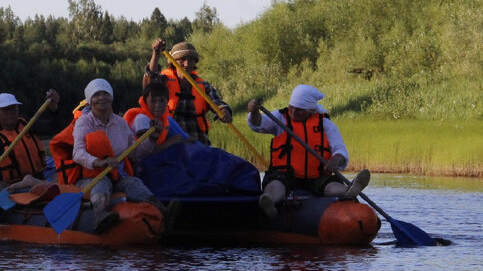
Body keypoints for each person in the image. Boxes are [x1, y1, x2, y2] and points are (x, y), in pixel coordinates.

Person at [246, 84, 371, 218]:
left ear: (310, 110)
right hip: (285, 173)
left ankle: (348, 191)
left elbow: (340, 150)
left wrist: (335, 160)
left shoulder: (325, 124)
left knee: (329, 185)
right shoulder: (281, 118)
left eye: (299, 111)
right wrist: (254, 112)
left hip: (316, 176)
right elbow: (258, 124)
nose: (293, 113)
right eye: (291, 108)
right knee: (277, 184)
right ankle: (268, 200)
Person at [73, 78, 166, 232]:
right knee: (102, 183)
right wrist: (99, 163)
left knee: (134, 182)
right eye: (97, 95)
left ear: (111, 97)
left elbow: (136, 154)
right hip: (91, 178)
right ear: (90, 100)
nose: (102, 97)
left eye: (105, 94)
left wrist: (153, 138)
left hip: (117, 176)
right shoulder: (84, 122)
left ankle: (163, 211)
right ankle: (100, 216)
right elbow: (78, 153)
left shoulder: (120, 123)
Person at [0, 89, 60, 227]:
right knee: (0, 187)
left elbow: (52, 126)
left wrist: (53, 108)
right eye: (6, 110)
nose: (11, 113)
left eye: (14, 109)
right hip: (8, 183)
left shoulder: (27, 125)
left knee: (57, 177)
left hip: (36, 178)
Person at [143, 38, 232, 145]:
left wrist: (224, 111)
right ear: (173, 62)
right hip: (169, 141)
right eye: (182, 59)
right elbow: (150, 81)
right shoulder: (164, 81)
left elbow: (218, 103)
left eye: (191, 60)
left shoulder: (203, 85)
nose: (187, 64)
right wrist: (156, 53)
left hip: (198, 141)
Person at [123, 80, 189, 157]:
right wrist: (172, 141)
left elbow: (181, 137)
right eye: (153, 101)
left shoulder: (164, 119)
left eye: (162, 101)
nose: (157, 105)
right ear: (145, 101)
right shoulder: (141, 119)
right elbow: (144, 151)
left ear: (167, 102)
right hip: (140, 164)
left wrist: (184, 139)